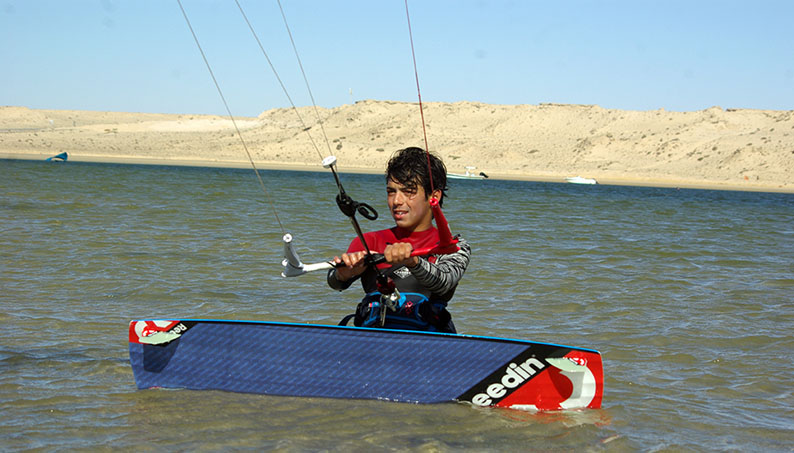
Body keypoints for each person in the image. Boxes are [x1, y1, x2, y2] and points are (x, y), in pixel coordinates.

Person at [327, 147, 471, 333]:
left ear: (434, 196)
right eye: (391, 191)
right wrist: (343, 274)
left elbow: (443, 281)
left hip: (431, 345)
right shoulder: (369, 241)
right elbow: (334, 283)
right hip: (376, 342)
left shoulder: (455, 246)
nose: (396, 201)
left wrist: (412, 261)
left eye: (408, 191)